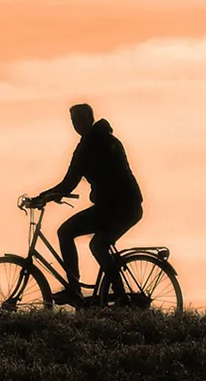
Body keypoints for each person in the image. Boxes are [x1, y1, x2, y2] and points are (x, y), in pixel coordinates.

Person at [35, 103, 143, 305]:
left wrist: (45, 196)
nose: (77, 125)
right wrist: (49, 194)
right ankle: (87, 292)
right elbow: (70, 181)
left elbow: (69, 183)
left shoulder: (93, 145)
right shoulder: (101, 141)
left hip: (121, 207)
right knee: (83, 238)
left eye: (80, 120)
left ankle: (115, 297)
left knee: (86, 240)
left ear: (90, 119)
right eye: (74, 121)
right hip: (116, 206)